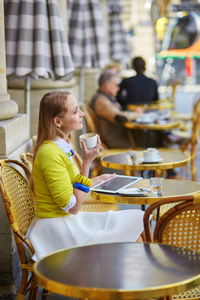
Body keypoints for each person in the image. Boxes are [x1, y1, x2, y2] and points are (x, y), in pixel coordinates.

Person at [26, 91, 146, 261]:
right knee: (135, 231)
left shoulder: (61, 146)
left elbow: (70, 187)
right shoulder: (50, 153)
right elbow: (72, 206)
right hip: (57, 228)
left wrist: (95, 181)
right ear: (57, 121)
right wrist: (87, 162)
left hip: (66, 221)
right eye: (75, 111)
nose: (81, 114)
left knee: (136, 226)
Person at [89, 69, 143, 148]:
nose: (118, 88)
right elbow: (120, 117)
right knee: (149, 138)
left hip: (117, 138)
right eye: (116, 85)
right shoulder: (101, 101)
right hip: (115, 143)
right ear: (107, 85)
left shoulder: (105, 98)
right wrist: (137, 114)